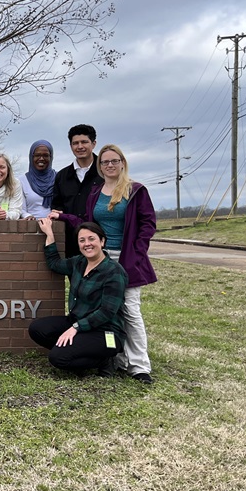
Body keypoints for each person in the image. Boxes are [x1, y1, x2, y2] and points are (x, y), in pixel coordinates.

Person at [51, 144, 157, 383]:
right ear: (100, 166)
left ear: (122, 163)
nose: (110, 165)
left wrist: (136, 253)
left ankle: (139, 365)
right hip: (100, 257)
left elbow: (148, 224)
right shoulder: (96, 193)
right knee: (106, 309)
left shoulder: (135, 190)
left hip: (126, 258)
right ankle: (116, 358)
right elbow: (87, 223)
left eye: (114, 161)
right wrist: (62, 216)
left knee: (130, 310)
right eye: (105, 162)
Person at [29, 218, 127, 376]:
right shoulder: (79, 263)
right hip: (78, 322)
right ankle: (74, 349)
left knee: (58, 358)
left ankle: (104, 360)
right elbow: (55, 264)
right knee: (38, 329)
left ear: (102, 241)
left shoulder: (114, 271)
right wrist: (49, 234)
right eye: (82, 240)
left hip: (105, 332)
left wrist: (76, 328)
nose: (87, 244)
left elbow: (107, 312)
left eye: (91, 239)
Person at [51, 124, 102, 256]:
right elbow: (57, 205)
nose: (80, 146)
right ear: (71, 146)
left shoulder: (104, 172)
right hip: (71, 242)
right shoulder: (62, 176)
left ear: (94, 144)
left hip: (100, 242)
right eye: (75, 143)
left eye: (84, 142)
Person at [20, 140, 55, 219]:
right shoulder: (22, 181)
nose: (41, 158)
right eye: (37, 155)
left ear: (51, 157)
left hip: (56, 224)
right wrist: (27, 216)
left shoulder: (59, 178)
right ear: (31, 157)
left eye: (45, 155)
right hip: (31, 224)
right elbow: (21, 209)